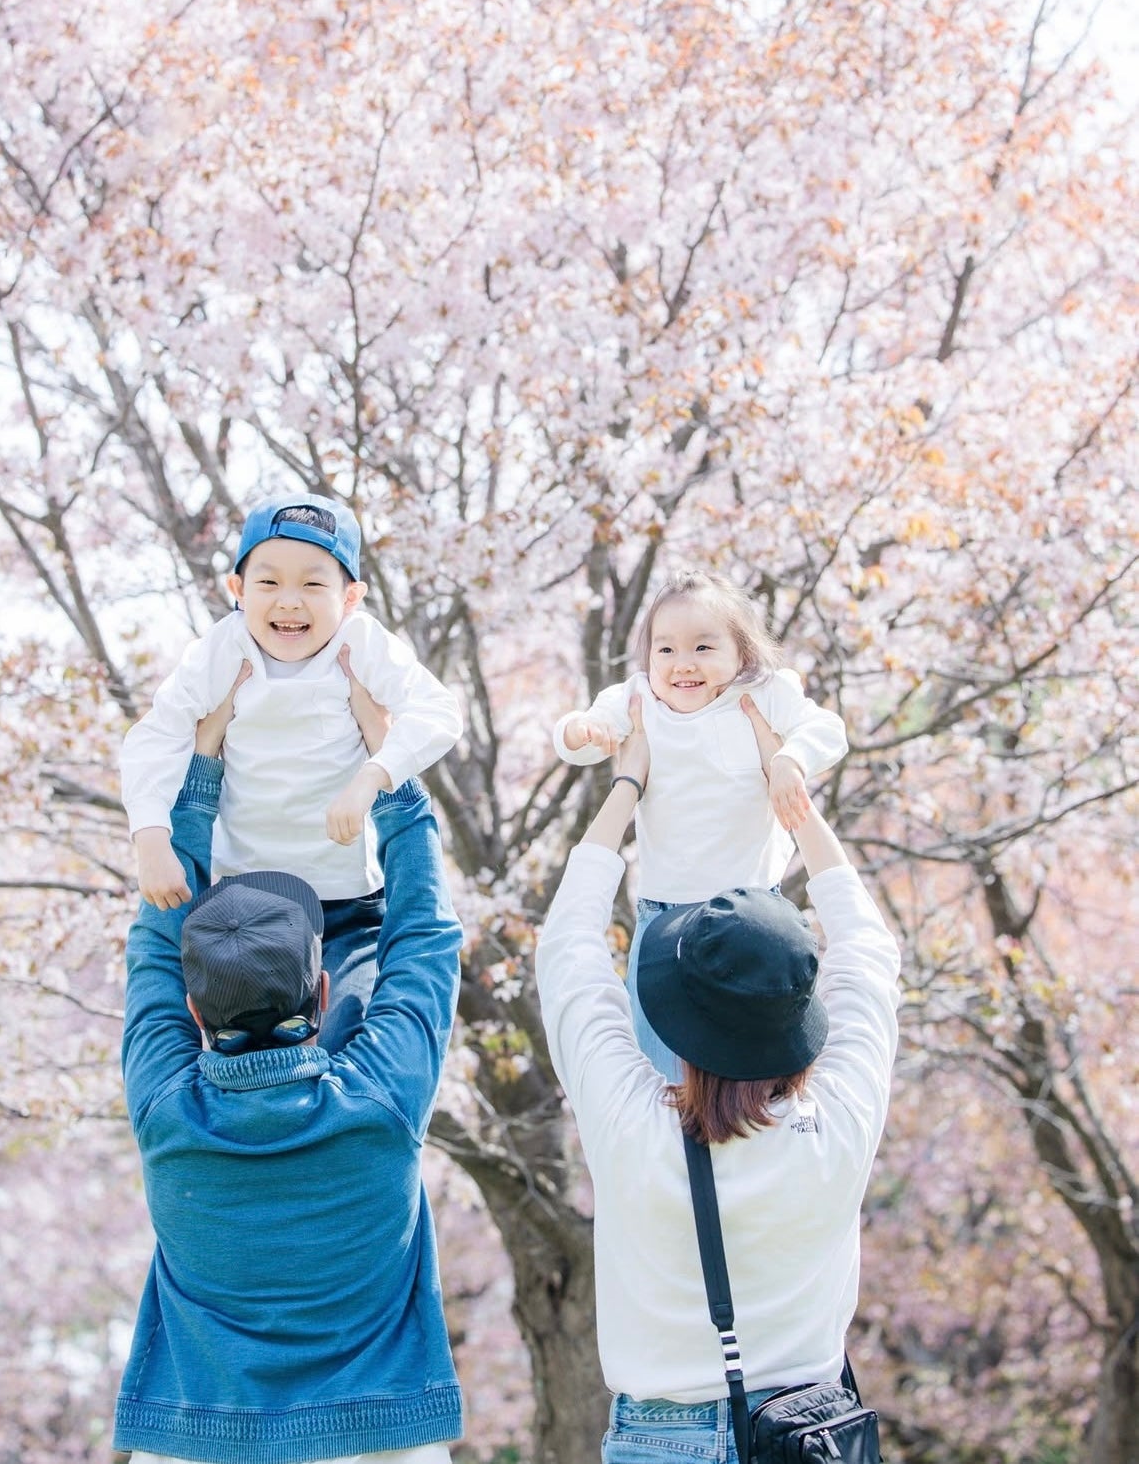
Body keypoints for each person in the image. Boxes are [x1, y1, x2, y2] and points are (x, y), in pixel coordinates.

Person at [113, 666, 465, 1464]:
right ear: (325, 987)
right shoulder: (378, 1098)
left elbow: (152, 947)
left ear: (195, 1015)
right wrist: (393, 781)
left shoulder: (169, 1109)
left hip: (194, 1444)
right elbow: (426, 940)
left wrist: (195, 786)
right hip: (379, 1444)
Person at [536, 693, 900, 1464]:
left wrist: (626, 788)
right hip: (810, 1434)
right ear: (801, 1014)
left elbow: (569, 951)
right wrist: (788, 789)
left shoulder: (632, 1126)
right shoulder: (841, 1116)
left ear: (671, 1021)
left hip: (661, 1439)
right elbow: (869, 951)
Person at [121, 491, 463, 1048]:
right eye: (269, 583)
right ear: (237, 590)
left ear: (351, 597)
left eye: (312, 584)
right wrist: (151, 837)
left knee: (343, 1035)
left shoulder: (361, 643)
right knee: (243, 1037)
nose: (289, 602)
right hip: (243, 901)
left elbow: (440, 712)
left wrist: (371, 777)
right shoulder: (221, 650)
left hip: (346, 900)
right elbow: (156, 735)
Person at [553, 570, 847, 1078]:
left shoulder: (763, 693)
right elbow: (570, 737)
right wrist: (585, 731)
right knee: (659, 1062)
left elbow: (828, 730)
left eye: (704, 648)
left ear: (743, 655)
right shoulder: (638, 699)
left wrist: (789, 761)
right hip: (663, 915)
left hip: (755, 918)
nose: (682, 664)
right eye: (664, 650)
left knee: (751, 1068)